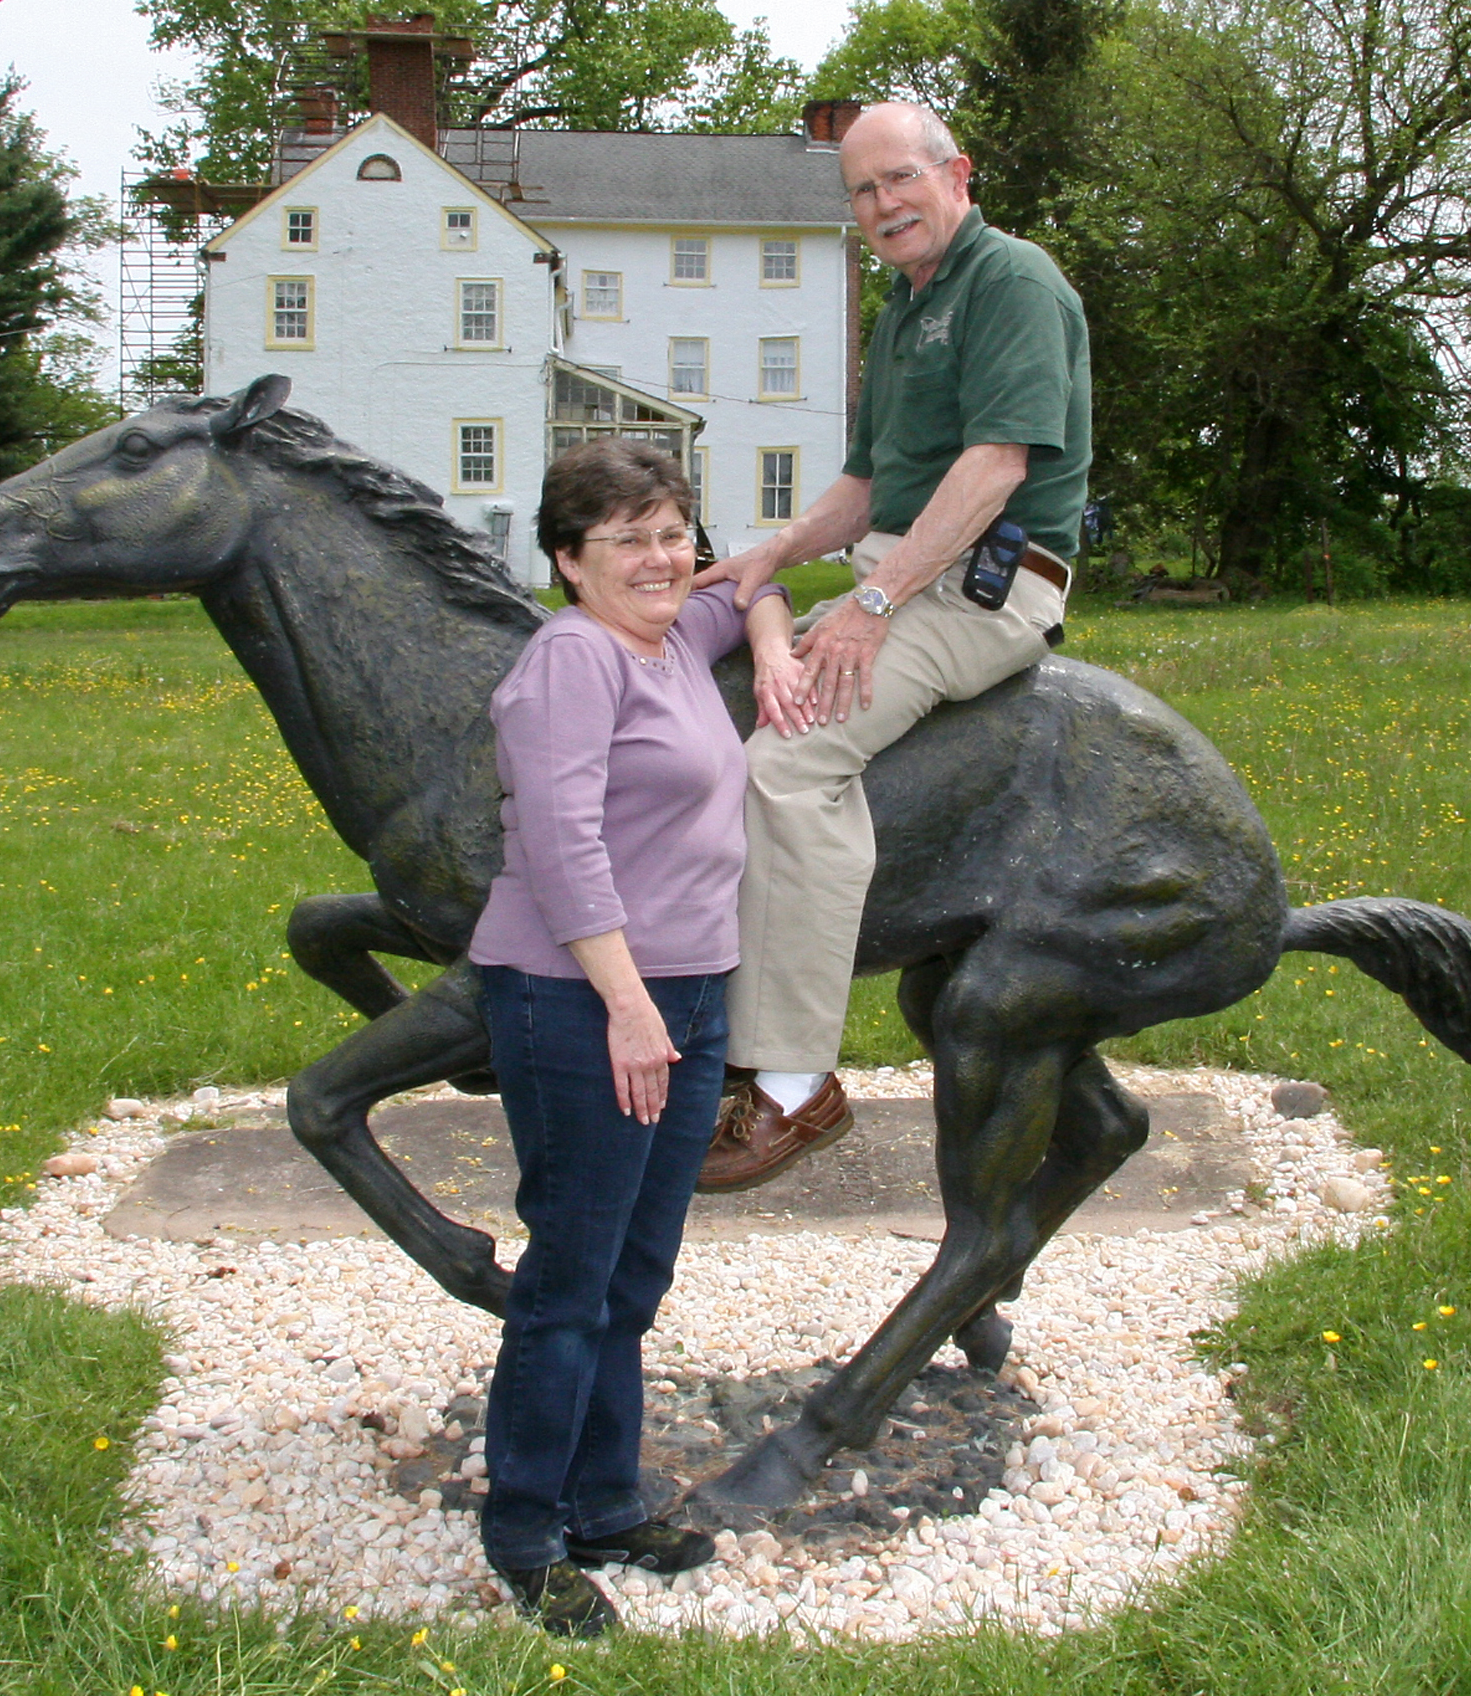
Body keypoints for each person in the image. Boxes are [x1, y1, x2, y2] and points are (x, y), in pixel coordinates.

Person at [690, 100, 1092, 1191]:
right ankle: (722, 1032)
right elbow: (867, 485)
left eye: (899, 181)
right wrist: (769, 558)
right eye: (861, 193)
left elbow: (998, 465)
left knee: (793, 759)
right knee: (730, 715)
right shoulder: (908, 307)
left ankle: (794, 1086)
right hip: (908, 573)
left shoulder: (1011, 282)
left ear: (956, 173)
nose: (881, 207)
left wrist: (872, 607)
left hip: (984, 590)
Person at [467, 439, 805, 1635]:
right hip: (586, 999)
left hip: (694, 992)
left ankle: (606, 1501)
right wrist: (626, 1005)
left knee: (634, 1275)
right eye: (628, 540)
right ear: (567, 560)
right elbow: (561, 845)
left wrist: (760, 631)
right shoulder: (573, 660)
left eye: (673, 532)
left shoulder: (672, 636)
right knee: (569, 1277)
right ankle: (524, 1528)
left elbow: (758, 574)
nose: (663, 559)